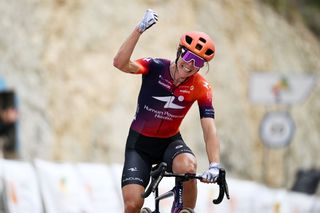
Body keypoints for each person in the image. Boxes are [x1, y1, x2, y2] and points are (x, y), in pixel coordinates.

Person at [113, 9, 223, 213]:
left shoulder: (202, 87)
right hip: (139, 145)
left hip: (169, 143)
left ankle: (184, 210)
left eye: (198, 62)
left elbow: (209, 129)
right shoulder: (155, 67)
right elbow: (120, 63)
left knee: (188, 167)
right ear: (180, 51)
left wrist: (214, 164)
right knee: (132, 205)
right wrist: (139, 30)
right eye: (189, 56)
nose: (190, 65)